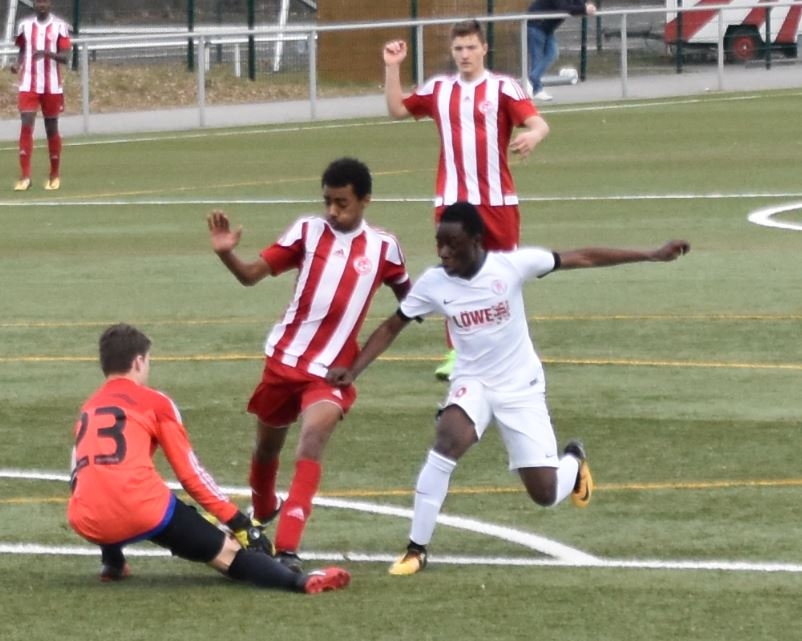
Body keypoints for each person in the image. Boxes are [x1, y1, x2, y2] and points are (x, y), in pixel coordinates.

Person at [327, 201, 690, 575]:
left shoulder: (511, 266)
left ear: (477, 241)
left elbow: (582, 256)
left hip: (520, 386)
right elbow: (392, 325)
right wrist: (353, 370)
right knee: (448, 440)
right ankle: (416, 549)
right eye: (439, 243)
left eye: (453, 244)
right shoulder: (434, 283)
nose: (444, 252)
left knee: (545, 494)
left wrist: (650, 254)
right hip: (473, 383)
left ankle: (573, 461)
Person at [208, 157, 411, 572]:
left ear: (365, 200)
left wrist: (357, 366)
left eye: (342, 203)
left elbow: (408, 309)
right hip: (284, 360)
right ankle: (264, 508)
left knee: (312, 439)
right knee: (267, 447)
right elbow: (251, 275)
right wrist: (228, 254)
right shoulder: (306, 231)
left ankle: (287, 549)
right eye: (327, 202)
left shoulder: (385, 248)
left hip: (331, 374)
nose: (332, 211)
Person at [67, 323, 350, 594]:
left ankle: (112, 562)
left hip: (86, 519)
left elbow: (79, 474)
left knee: (102, 482)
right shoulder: (155, 402)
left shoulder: (88, 408)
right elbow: (190, 474)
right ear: (139, 361)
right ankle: (299, 582)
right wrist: (239, 522)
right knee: (230, 557)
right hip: (143, 510)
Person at [383, 19, 550, 381]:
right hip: (452, 202)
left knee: (505, 277)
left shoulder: (503, 87)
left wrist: (533, 136)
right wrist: (392, 66)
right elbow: (397, 109)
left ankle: (509, 349)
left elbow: (538, 123)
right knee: (455, 274)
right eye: (459, 48)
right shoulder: (439, 89)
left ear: (484, 49)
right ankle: (457, 352)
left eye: (471, 47)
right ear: (452, 51)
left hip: (497, 201)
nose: (465, 54)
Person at [9, 0, 71, 191]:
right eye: (38, 1)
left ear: (51, 4)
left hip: (51, 86)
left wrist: (46, 53)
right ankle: (25, 177)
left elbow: (66, 57)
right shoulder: (25, 26)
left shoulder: (60, 26)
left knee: (51, 128)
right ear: (34, 4)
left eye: (44, 1)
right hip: (28, 84)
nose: (41, 4)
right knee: (26, 124)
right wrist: (17, 63)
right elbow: (23, 50)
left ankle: (54, 175)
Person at [527, 0, 597, 102]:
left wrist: (589, 7)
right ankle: (537, 89)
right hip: (536, 25)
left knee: (553, 53)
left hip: (547, 28)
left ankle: (534, 78)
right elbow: (565, 7)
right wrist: (584, 9)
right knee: (537, 58)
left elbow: (579, 4)